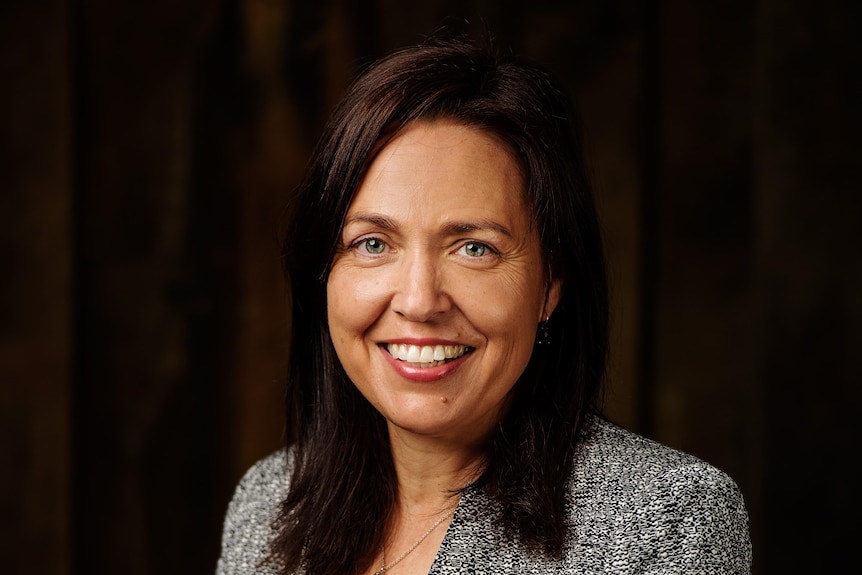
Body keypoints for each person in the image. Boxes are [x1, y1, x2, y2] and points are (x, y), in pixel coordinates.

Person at [216, 34, 751, 575]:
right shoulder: (269, 506)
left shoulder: (667, 523)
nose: (420, 301)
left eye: (475, 248)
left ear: (551, 285)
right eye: (373, 244)